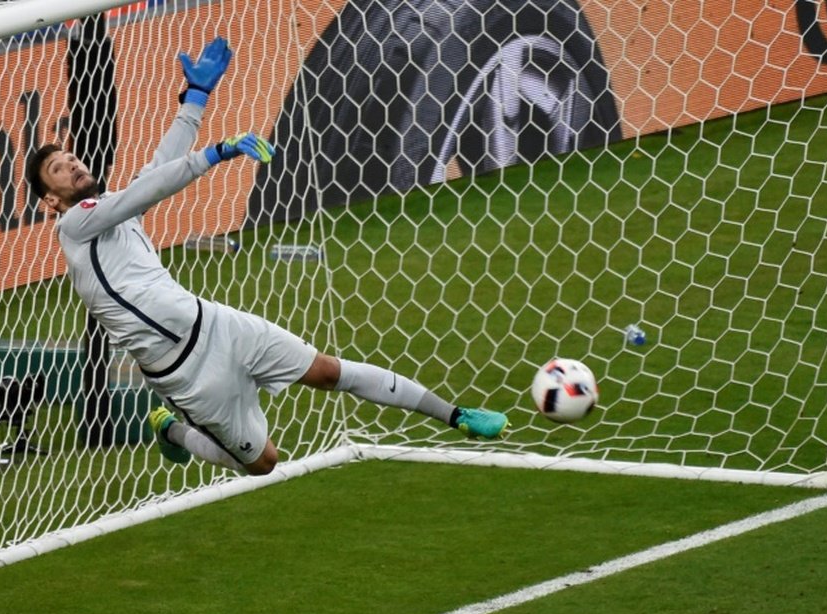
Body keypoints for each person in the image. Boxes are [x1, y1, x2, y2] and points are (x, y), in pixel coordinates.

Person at [25, 36, 508, 476]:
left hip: (214, 323)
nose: (70, 164)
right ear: (51, 200)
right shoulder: (75, 225)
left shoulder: (112, 213)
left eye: (69, 158)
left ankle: (456, 414)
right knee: (263, 463)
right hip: (184, 371)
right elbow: (149, 186)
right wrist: (216, 153)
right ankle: (172, 429)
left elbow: (156, 171)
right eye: (57, 170)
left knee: (327, 371)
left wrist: (195, 98)